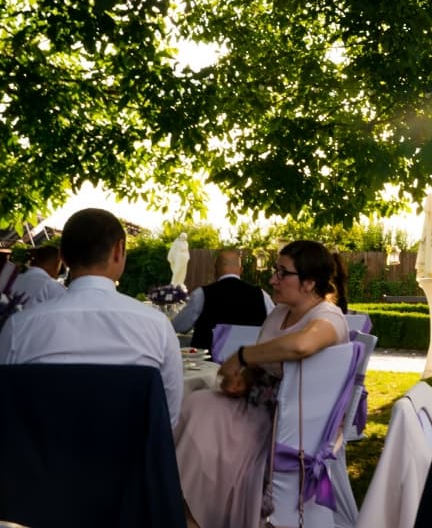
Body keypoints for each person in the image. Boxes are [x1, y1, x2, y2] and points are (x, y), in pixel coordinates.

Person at [173, 240, 349, 528]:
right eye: (275, 271)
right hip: (254, 406)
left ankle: (195, 514)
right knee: (197, 404)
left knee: (203, 425)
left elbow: (302, 345)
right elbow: (265, 365)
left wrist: (242, 356)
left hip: (284, 424)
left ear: (309, 283)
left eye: (282, 273)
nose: (272, 280)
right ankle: (189, 511)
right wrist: (243, 379)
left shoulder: (328, 317)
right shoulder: (279, 313)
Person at [0, 208, 183, 425]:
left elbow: (7, 411)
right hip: (128, 447)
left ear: (63, 257)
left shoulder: (19, 328)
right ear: (119, 250)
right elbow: (168, 418)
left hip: (41, 446)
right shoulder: (158, 327)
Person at [172, 249, 274, 350]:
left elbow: (179, 326)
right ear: (241, 270)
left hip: (209, 359)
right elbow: (275, 326)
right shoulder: (261, 295)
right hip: (250, 359)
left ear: (215, 270)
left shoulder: (202, 294)